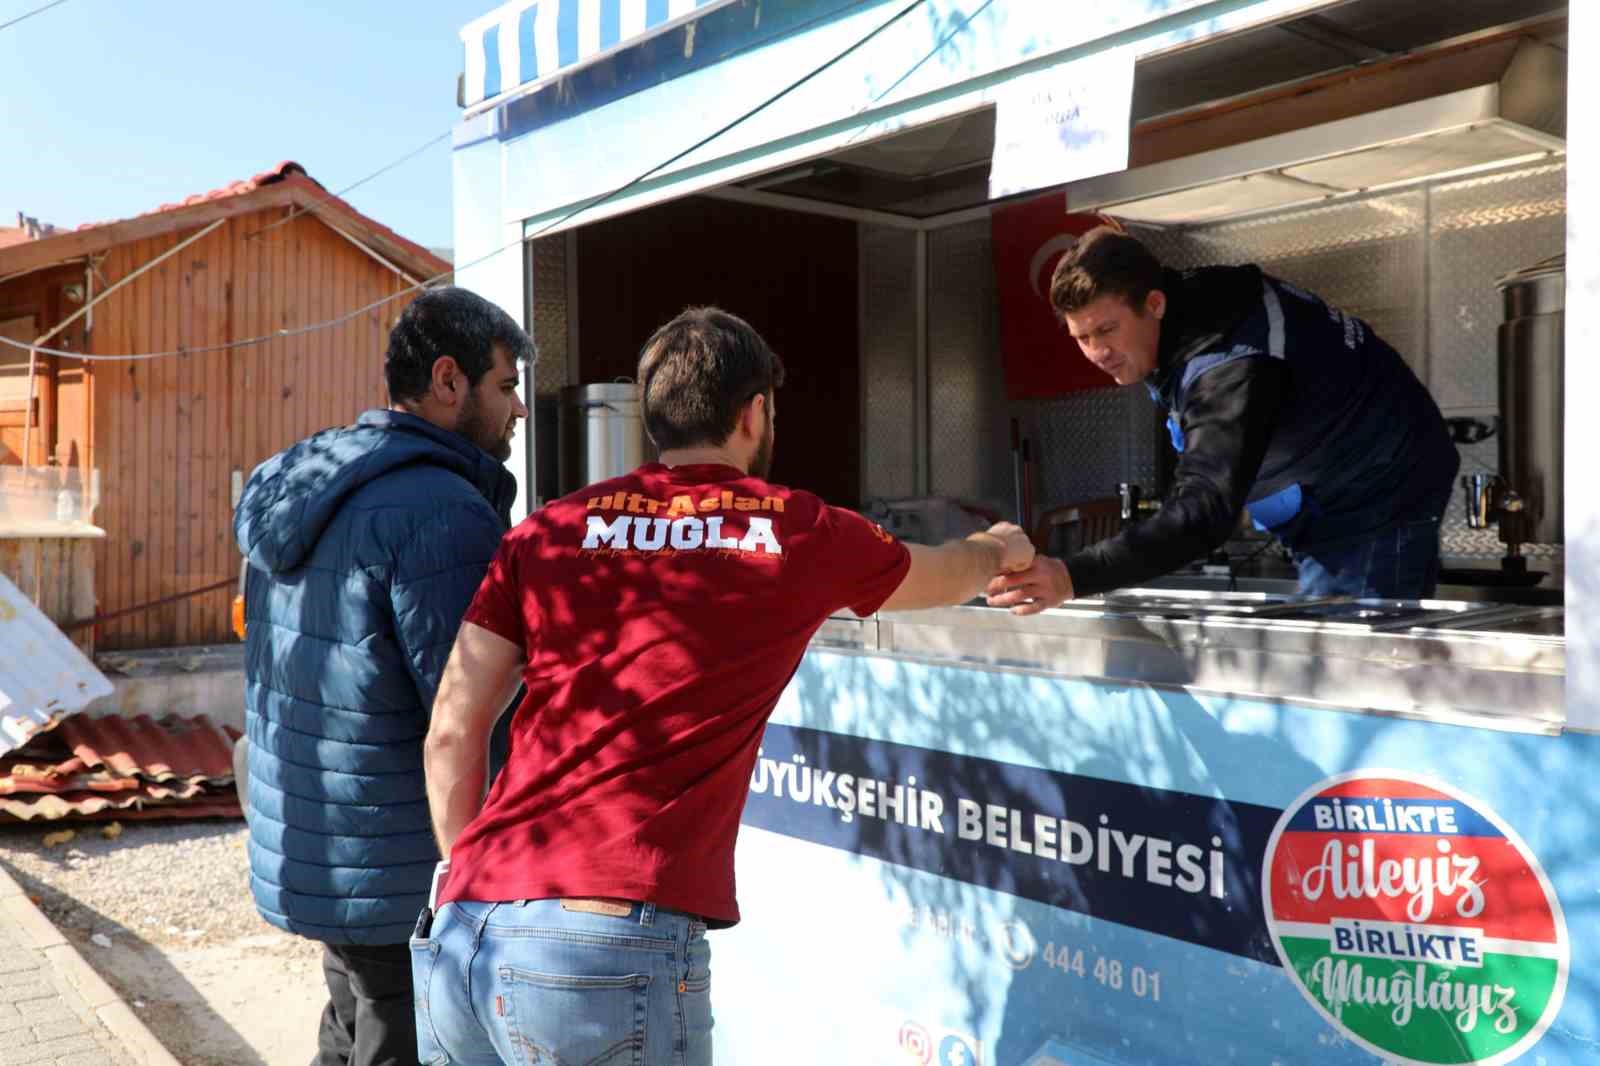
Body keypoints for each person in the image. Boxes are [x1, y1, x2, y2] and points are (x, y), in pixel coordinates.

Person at [413, 306, 1033, 1066]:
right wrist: (997, 546)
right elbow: (943, 574)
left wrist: (463, 876)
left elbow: (452, 728)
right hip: (606, 948)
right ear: (755, 413)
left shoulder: (546, 530)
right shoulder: (793, 532)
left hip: (463, 936)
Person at [232, 286, 531, 1066]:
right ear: (447, 380)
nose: (521, 410)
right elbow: (472, 708)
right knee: (395, 1036)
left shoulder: (310, 480)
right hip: (399, 860)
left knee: (352, 1018)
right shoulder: (441, 511)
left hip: (323, 846)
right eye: (506, 386)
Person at [989, 227, 1459, 615]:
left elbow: (1206, 511)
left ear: (1154, 304)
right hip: (1323, 507)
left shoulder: (1229, 362)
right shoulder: (1181, 320)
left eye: (1107, 330)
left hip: (1377, 501)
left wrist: (1073, 576)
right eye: (1082, 337)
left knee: (1362, 673)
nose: (1097, 353)